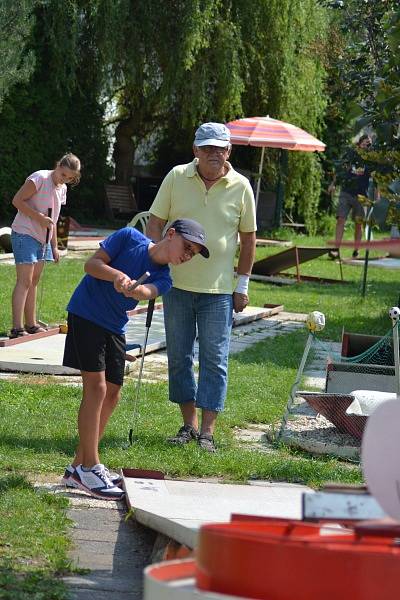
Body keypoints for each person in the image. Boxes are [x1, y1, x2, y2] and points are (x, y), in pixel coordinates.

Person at [62, 219, 209, 500]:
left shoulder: (165, 278)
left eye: (193, 254)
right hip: (85, 314)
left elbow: (148, 291)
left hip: (115, 326)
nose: (187, 255)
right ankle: (91, 466)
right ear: (171, 234)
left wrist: (135, 290)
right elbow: (91, 265)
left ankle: (77, 468)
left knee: (113, 393)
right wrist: (116, 276)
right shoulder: (129, 237)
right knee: (97, 388)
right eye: (186, 247)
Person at [147, 122, 257, 453]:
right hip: (175, 285)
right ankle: (188, 425)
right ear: (195, 150)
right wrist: (152, 263)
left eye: (220, 148)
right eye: (207, 148)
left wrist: (243, 283)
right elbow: (154, 222)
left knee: (215, 359)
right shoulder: (176, 177)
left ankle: (208, 431)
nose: (214, 154)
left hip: (220, 291)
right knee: (179, 357)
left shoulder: (241, 186)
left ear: (229, 151)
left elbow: (249, 240)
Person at [10, 153, 81, 338]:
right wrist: (38, 217)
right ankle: (17, 328)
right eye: (63, 174)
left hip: (43, 238)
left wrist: (55, 246)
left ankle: (31, 324)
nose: (64, 179)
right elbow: (17, 200)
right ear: (58, 166)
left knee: (34, 282)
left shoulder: (62, 189)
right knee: (24, 281)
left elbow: (53, 221)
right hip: (24, 232)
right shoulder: (39, 178)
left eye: (70, 178)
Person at [330, 135, 372, 259]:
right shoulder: (351, 156)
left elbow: (376, 179)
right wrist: (333, 184)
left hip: (361, 196)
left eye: (369, 144)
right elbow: (340, 170)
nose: (367, 146)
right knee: (341, 219)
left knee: (358, 224)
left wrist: (378, 196)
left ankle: (356, 250)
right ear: (359, 144)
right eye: (365, 143)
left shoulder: (370, 160)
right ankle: (336, 249)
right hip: (346, 193)